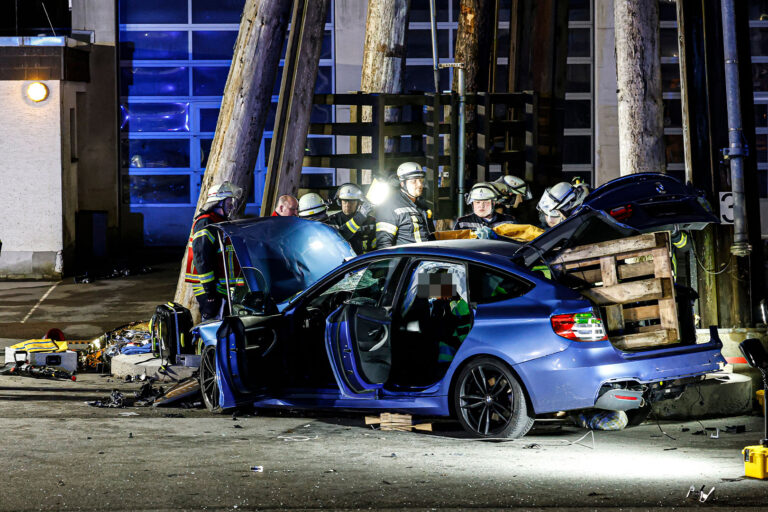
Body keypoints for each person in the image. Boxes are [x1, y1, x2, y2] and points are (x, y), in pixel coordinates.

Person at [184, 181, 244, 321]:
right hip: (211, 290)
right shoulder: (206, 223)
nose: (231, 205)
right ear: (218, 202)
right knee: (214, 328)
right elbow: (202, 259)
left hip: (222, 288)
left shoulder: (219, 221)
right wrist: (210, 292)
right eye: (229, 202)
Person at [375, 162, 435, 248]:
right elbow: (384, 245)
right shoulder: (390, 206)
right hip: (408, 260)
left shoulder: (422, 204)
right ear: (402, 183)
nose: (420, 185)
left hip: (426, 258)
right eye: (413, 181)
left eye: (421, 180)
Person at [326, 183, 376, 254]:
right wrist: (360, 216)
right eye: (345, 201)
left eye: (351, 201)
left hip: (365, 261)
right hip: (346, 264)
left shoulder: (370, 221)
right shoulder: (333, 221)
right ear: (339, 202)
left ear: (358, 203)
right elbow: (339, 238)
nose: (347, 205)